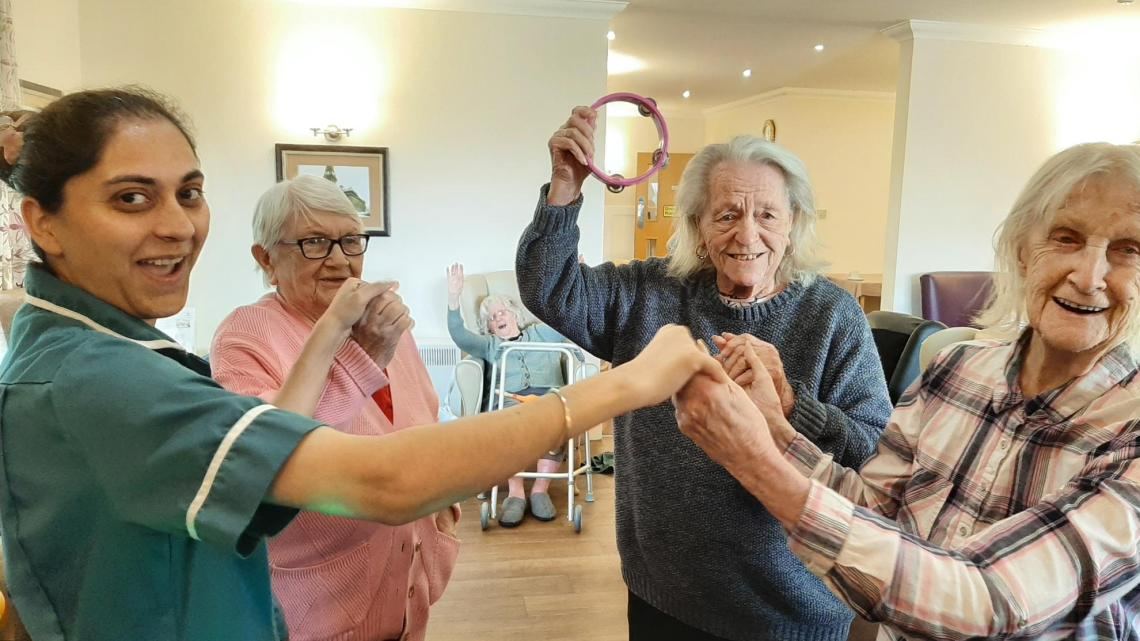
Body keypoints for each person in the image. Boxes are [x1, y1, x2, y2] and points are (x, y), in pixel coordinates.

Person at [0, 87, 723, 641]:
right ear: (42, 222)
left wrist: (438, 528)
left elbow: (401, 430)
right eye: (131, 197)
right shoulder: (127, 374)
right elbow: (371, 477)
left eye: (189, 193)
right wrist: (623, 385)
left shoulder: (90, 346)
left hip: (397, 598)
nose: (174, 223)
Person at [675, 142, 1140, 641]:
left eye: (1129, 249)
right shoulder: (954, 368)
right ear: (1025, 251)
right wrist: (772, 427)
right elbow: (871, 507)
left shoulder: (1129, 431)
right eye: (1066, 238)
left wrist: (754, 461)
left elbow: (989, 602)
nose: (1090, 277)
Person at [515, 106, 892, 641]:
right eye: (726, 215)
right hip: (664, 596)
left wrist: (791, 404)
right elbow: (548, 288)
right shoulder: (651, 293)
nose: (747, 234)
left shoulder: (832, 315)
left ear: (794, 224)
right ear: (697, 226)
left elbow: (873, 456)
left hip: (788, 614)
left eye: (767, 215)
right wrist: (565, 185)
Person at [210, 175, 456, 641]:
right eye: (314, 243)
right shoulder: (245, 335)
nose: (340, 259)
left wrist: (441, 518)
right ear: (265, 259)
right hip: (319, 607)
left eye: (349, 240)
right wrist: (359, 355)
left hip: (409, 587)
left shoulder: (383, 321)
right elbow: (272, 462)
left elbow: (425, 417)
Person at [445, 262, 571, 526]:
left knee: (557, 422)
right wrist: (454, 298)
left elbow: (566, 318)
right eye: (492, 318)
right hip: (508, 401)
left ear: (515, 315)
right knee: (507, 430)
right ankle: (515, 495)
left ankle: (539, 491)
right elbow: (459, 336)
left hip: (548, 398)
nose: (498, 318)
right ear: (489, 328)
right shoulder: (490, 345)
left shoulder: (540, 333)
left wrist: (574, 279)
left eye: (502, 312)